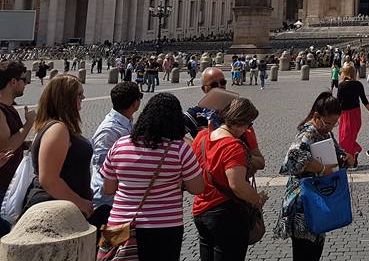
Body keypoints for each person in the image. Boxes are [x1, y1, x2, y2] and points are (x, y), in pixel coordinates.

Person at [99, 93, 205, 261]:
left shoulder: (120, 145)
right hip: (164, 225)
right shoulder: (180, 149)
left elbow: (108, 188)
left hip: (119, 223)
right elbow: (198, 188)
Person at [275, 92, 353, 261]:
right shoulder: (306, 135)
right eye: (328, 123)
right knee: (305, 254)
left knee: (314, 252)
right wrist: (322, 168)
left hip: (316, 201)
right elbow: (292, 161)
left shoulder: (324, 132)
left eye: (334, 124)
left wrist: (345, 157)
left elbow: (336, 152)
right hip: (303, 204)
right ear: (316, 116)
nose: (330, 127)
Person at [24, 74, 109, 227]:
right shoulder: (58, 129)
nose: (83, 97)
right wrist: (81, 203)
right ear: (66, 99)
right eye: (79, 94)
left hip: (64, 206)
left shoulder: (57, 126)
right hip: (55, 208)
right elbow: (49, 179)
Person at [192, 98, 265, 261]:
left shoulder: (202, 137)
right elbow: (237, 185)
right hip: (226, 214)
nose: (248, 128)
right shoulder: (233, 146)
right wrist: (256, 199)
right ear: (241, 122)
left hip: (201, 210)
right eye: (249, 124)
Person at [91, 81, 142, 208]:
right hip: (106, 201)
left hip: (120, 198)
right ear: (135, 103)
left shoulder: (128, 123)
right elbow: (102, 170)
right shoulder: (109, 131)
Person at [0, 61, 34, 200]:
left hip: (9, 183)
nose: (26, 83)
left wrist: (27, 144)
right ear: (13, 82)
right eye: (24, 79)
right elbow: (7, 147)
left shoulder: (8, 107)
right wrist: (28, 124)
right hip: (2, 186)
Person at [335, 63, 369, 157]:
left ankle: (351, 154)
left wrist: (334, 116)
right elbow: (364, 100)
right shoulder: (358, 84)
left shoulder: (342, 85)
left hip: (345, 114)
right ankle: (353, 153)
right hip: (356, 113)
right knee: (350, 137)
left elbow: (338, 102)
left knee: (344, 138)